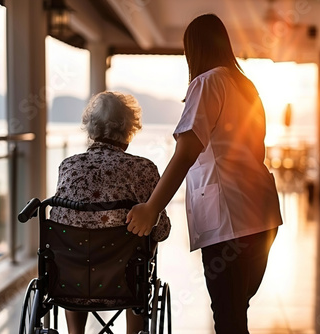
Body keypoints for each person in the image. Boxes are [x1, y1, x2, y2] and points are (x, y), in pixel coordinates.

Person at [125, 14, 283, 334]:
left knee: (228, 317)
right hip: (262, 217)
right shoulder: (247, 86)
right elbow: (257, 152)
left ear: (193, 50)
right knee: (236, 312)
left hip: (230, 223)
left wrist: (151, 208)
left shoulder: (207, 82)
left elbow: (186, 153)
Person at [50, 91, 171, 334]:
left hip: (71, 281)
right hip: (124, 283)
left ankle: (75, 332)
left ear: (91, 129)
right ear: (130, 129)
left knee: (72, 250)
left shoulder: (69, 166)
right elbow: (161, 230)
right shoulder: (143, 169)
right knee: (137, 252)